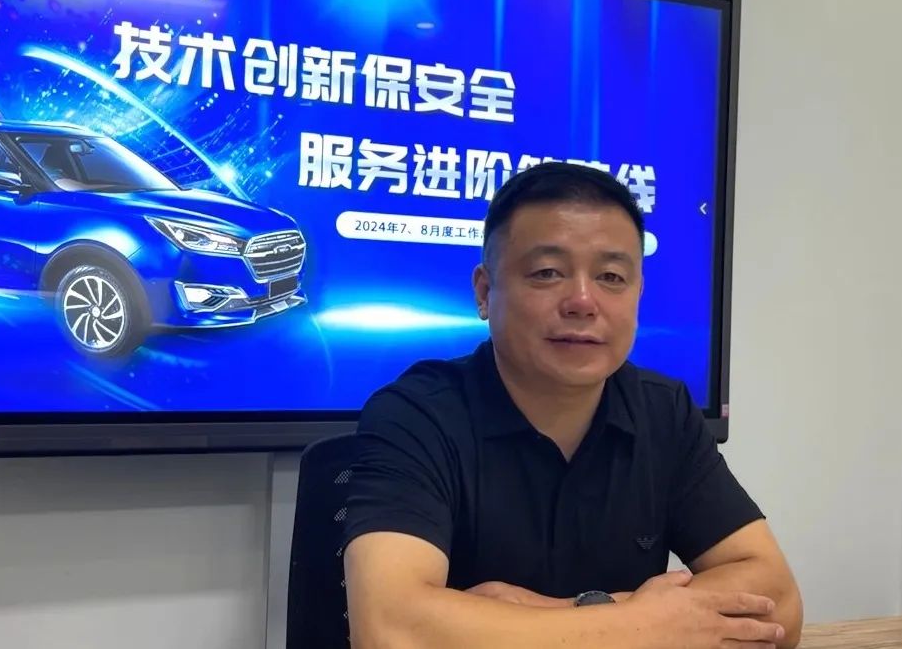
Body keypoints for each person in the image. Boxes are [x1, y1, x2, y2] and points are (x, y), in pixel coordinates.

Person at [341, 162, 803, 648]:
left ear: (638, 294)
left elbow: (779, 601)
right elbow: (392, 631)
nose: (583, 301)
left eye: (611, 276)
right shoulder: (416, 415)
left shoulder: (663, 411)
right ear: (484, 292)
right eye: (548, 273)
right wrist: (646, 626)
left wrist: (585, 614)